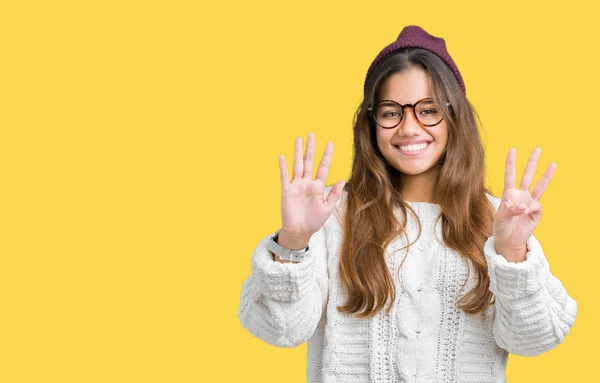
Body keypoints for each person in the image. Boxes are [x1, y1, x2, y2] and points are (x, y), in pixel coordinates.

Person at [237, 25, 577, 382]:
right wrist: (293, 240)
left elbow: (536, 339)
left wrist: (512, 253)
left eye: (428, 110)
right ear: (371, 124)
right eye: (391, 112)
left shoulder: (497, 222)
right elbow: (280, 330)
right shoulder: (332, 218)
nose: (409, 128)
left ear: (454, 117)